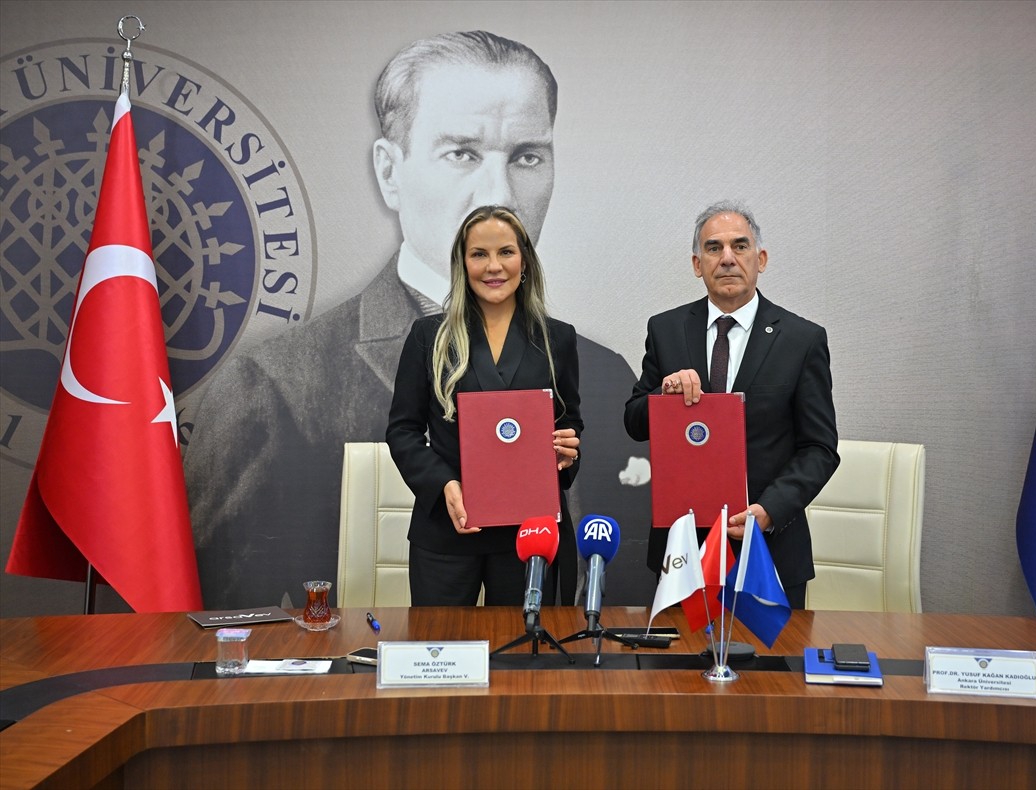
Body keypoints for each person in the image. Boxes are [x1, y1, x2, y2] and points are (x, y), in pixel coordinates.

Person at [183, 31, 650, 609]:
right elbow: (238, 614)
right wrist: (443, 485)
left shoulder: (603, 369)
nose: (498, 191)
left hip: (533, 570)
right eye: (462, 154)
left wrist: (563, 450)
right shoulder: (271, 385)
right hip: (435, 569)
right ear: (389, 170)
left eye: (527, 156)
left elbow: (582, 454)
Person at [623, 201, 840, 609]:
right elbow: (635, 421)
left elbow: (820, 449)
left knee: (770, 672)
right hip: (683, 550)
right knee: (677, 672)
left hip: (767, 549)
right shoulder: (666, 329)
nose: (726, 259)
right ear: (696, 263)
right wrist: (662, 395)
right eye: (713, 248)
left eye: (739, 247)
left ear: (760, 259)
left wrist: (771, 511)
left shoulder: (801, 339)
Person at [387, 206, 581, 605]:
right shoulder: (429, 336)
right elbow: (402, 430)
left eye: (506, 252)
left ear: (524, 259)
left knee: (522, 660)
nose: (494, 266)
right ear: (462, 263)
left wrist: (566, 451)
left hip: (529, 533)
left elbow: (570, 424)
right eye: (479, 254)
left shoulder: (556, 339)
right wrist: (443, 484)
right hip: (448, 527)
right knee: (440, 652)